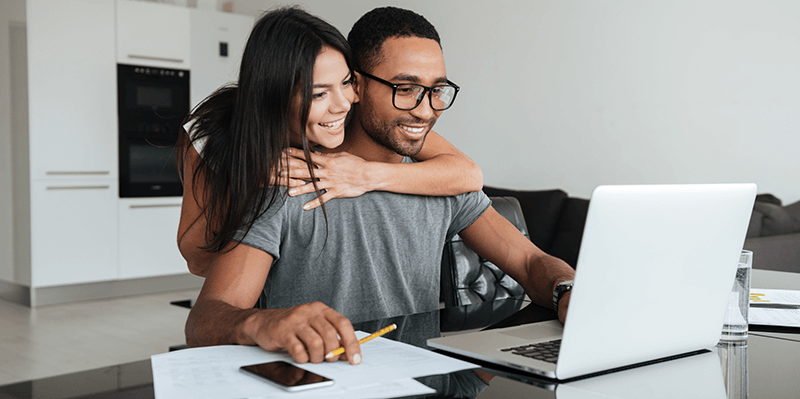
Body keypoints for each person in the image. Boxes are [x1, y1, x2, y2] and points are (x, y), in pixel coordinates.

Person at [185, 6, 576, 368]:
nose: (425, 110)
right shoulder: (288, 179)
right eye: (404, 88)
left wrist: (567, 290)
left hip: (426, 388)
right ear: (359, 85)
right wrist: (261, 322)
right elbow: (206, 318)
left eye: (436, 90)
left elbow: (529, 262)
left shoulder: (439, 183)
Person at [177, 7, 484, 278]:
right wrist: (249, 179)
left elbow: (468, 174)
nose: (344, 103)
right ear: (277, 95)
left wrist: (364, 175)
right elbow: (197, 261)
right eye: (319, 93)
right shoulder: (211, 135)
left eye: (347, 82)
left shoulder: (351, 112)